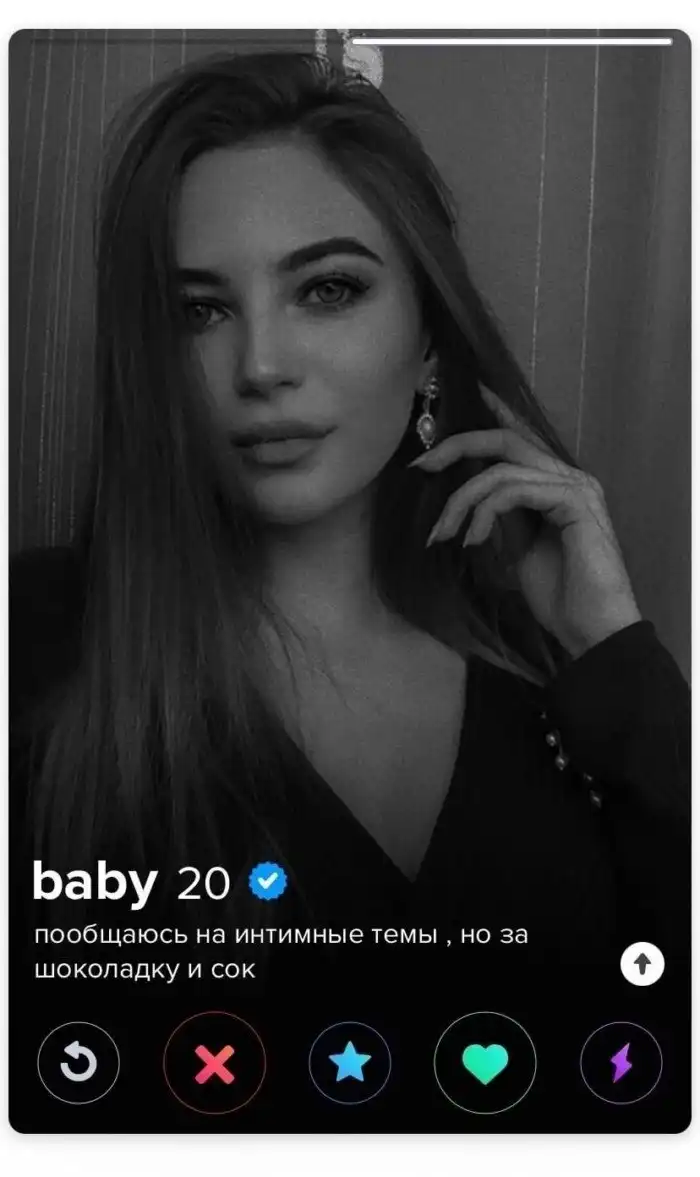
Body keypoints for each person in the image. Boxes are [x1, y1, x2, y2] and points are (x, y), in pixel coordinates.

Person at [10, 50, 690, 987]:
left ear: (428, 339)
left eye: (327, 289)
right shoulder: (36, 641)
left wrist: (614, 654)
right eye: (199, 311)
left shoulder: (550, 667)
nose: (262, 366)